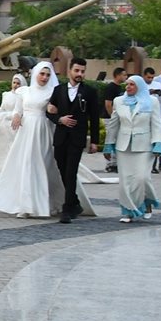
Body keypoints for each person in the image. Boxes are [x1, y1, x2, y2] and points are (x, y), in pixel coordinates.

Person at [0, 62, 93, 219]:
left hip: (43, 131)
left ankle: (56, 202)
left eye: (48, 75)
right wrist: (17, 116)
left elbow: (57, 109)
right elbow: (18, 109)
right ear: (35, 74)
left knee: (42, 165)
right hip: (26, 132)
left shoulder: (53, 91)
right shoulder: (24, 91)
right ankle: (25, 204)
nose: (44, 77)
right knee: (26, 165)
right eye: (42, 74)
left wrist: (55, 112)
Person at [46, 57, 101, 225]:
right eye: (77, 70)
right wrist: (59, 119)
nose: (79, 74)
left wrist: (94, 141)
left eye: (82, 71)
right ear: (70, 71)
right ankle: (75, 203)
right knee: (63, 170)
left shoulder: (90, 92)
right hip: (61, 137)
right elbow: (49, 111)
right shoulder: (58, 90)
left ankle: (67, 209)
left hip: (77, 138)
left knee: (71, 172)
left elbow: (94, 118)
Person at [103, 74, 161, 223]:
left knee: (142, 178)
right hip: (124, 147)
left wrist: (157, 142)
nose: (128, 87)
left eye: (132, 84)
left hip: (144, 146)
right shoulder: (119, 101)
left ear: (139, 86)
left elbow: (156, 123)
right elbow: (114, 124)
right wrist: (108, 144)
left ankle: (147, 201)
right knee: (126, 181)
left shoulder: (151, 101)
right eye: (127, 84)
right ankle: (129, 211)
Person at [100, 67, 127, 173]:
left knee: (116, 140)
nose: (125, 77)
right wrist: (113, 117)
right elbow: (108, 104)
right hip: (109, 118)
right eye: (124, 75)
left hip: (117, 118)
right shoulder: (111, 87)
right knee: (111, 139)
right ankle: (110, 164)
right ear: (118, 75)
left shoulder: (120, 88)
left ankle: (115, 163)